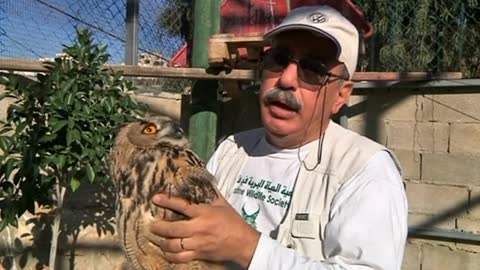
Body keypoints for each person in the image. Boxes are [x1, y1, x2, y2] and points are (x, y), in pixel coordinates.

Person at [149, 4, 408, 270]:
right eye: (279, 59)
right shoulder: (232, 149)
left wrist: (248, 248)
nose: (286, 79)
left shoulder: (365, 169)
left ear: (341, 95)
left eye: (313, 69)